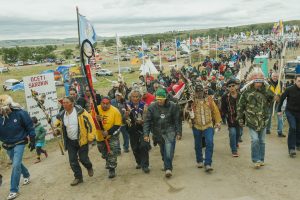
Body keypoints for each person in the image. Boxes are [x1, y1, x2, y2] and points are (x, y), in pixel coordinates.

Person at [0, 95, 35, 200]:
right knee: (17, 163)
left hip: (19, 142)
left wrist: (33, 139)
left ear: (9, 105)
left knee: (15, 165)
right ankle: (26, 175)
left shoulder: (20, 113)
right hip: (7, 144)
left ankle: (14, 190)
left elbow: (29, 126)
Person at [54, 96, 96, 186]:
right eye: (63, 103)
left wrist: (91, 137)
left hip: (82, 140)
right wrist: (57, 131)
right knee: (72, 160)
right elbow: (58, 127)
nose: (64, 104)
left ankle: (89, 167)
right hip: (70, 141)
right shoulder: (61, 115)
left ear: (72, 103)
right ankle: (78, 177)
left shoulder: (81, 112)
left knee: (83, 159)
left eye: (66, 103)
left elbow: (90, 124)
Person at [237, 67, 274, 168]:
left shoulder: (265, 91)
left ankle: (261, 159)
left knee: (262, 141)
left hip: (263, 120)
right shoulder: (247, 92)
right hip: (252, 121)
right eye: (257, 81)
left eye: (260, 81)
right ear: (253, 81)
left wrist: (268, 85)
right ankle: (255, 159)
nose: (259, 83)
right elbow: (240, 106)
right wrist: (240, 118)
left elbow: (273, 98)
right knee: (255, 140)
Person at [143, 88, 182, 178]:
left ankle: (168, 168)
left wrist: (179, 132)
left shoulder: (173, 106)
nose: (159, 100)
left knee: (169, 151)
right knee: (163, 151)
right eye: (158, 99)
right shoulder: (152, 107)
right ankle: (166, 163)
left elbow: (177, 120)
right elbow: (147, 121)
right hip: (158, 133)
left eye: (161, 98)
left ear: (165, 98)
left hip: (170, 132)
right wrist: (146, 134)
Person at [188, 82, 221, 171]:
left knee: (209, 142)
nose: (199, 93)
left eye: (200, 91)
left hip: (208, 125)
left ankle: (208, 163)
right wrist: (189, 108)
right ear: (195, 92)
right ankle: (199, 160)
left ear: (203, 91)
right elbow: (186, 114)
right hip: (196, 125)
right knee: (198, 144)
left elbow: (215, 111)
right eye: (197, 91)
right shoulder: (191, 101)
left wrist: (218, 122)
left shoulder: (209, 100)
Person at [95, 97, 122, 178]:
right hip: (100, 136)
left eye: (107, 104)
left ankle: (111, 168)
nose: (105, 105)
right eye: (103, 103)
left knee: (112, 151)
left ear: (110, 103)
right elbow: (91, 120)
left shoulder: (115, 111)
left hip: (112, 135)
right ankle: (107, 160)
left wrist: (108, 132)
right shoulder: (96, 110)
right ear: (101, 103)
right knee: (103, 152)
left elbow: (117, 125)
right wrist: (96, 119)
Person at [126, 89, 150, 173]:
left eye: (137, 96)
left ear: (140, 97)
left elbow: (147, 118)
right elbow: (124, 118)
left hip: (143, 129)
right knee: (135, 147)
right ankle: (139, 162)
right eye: (133, 96)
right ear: (130, 97)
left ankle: (145, 165)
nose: (135, 98)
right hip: (132, 129)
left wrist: (143, 120)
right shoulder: (127, 106)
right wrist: (126, 115)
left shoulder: (144, 105)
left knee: (143, 146)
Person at [277, 74, 300, 157]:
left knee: (298, 129)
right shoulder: (289, 89)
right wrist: (279, 110)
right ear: (295, 81)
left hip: (299, 113)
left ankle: (298, 144)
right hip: (290, 112)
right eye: (299, 81)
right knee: (293, 127)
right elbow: (282, 99)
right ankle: (291, 148)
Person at [221, 79, 241, 157]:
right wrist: (225, 115)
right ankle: (234, 150)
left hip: (240, 119)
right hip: (231, 119)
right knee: (232, 133)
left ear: (236, 86)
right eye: (230, 86)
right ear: (228, 88)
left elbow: (244, 106)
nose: (232, 87)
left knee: (238, 134)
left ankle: (235, 143)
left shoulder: (240, 95)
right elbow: (223, 108)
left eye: (233, 85)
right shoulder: (225, 97)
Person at [266, 72, 285, 137]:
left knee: (280, 117)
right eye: (274, 76)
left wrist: (279, 97)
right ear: (271, 76)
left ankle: (280, 131)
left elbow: (282, 92)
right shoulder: (268, 83)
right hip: (269, 102)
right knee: (269, 116)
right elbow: (266, 92)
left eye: (276, 76)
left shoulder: (280, 83)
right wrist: (273, 97)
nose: (275, 77)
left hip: (278, 102)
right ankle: (267, 129)